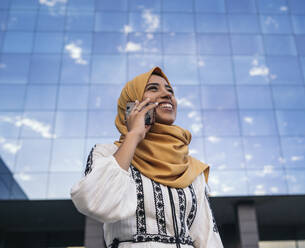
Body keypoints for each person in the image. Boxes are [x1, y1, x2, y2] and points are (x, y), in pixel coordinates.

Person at [70, 66, 224, 248]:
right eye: (153, 88)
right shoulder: (107, 153)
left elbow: (206, 237)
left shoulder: (190, 168)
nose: (167, 95)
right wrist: (133, 135)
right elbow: (96, 203)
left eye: (170, 91)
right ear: (131, 103)